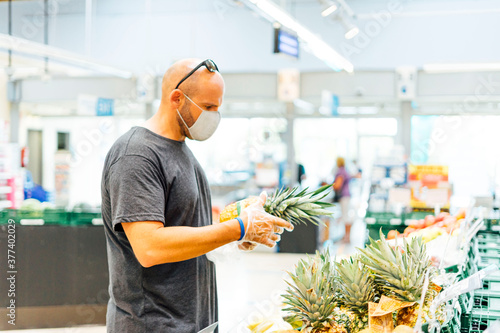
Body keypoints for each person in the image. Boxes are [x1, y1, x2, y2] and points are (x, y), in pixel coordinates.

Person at [100, 58, 292, 333]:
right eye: (208, 107)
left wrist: (233, 235)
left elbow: (185, 232)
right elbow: (150, 246)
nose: (214, 116)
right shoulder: (137, 154)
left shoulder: (183, 151)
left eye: (218, 107)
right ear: (177, 98)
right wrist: (236, 228)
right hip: (152, 324)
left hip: (193, 321)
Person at [333, 157, 351, 242]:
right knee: (345, 215)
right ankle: (346, 236)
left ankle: (347, 237)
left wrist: (328, 185)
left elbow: (337, 185)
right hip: (346, 195)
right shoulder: (345, 170)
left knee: (345, 216)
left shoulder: (340, 171)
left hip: (344, 196)